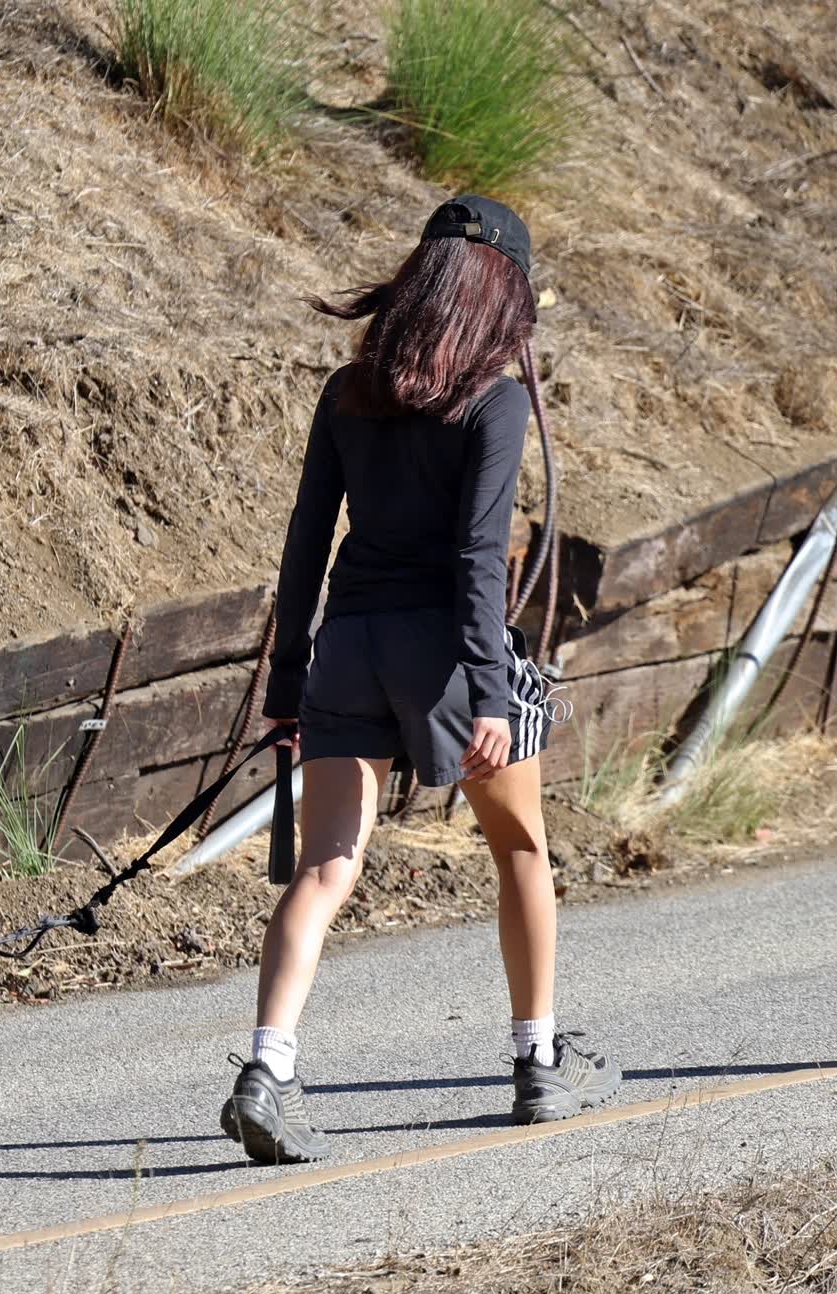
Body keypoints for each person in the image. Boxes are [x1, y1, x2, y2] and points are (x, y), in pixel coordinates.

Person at [219, 195, 620, 1166]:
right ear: (501, 299)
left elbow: (305, 543)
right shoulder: (495, 401)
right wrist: (490, 690)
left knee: (324, 869)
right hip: (443, 658)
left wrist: (286, 683)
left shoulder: (346, 393)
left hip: (349, 646)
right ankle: (537, 1062)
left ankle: (267, 1071)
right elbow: (479, 556)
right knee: (520, 848)